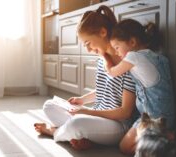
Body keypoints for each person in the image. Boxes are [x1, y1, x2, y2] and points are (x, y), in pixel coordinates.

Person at [34, 5, 139, 151]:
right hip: (98, 116)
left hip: (118, 125)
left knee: (77, 123)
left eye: (88, 43)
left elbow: (125, 112)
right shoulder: (101, 59)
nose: (88, 50)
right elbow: (103, 90)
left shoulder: (127, 62)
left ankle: (54, 131)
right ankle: (85, 137)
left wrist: (86, 111)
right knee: (49, 105)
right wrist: (82, 100)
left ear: (103, 32)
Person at [101, 19, 175, 153]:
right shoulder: (159, 57)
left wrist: (105, 59)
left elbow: (112, 73)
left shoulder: (133, 57)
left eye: (117, 47)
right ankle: (162, 138)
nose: (116, 53)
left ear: (133, 42)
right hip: (168, 116)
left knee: (124, 147)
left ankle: (162, 141)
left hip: (152, 118)